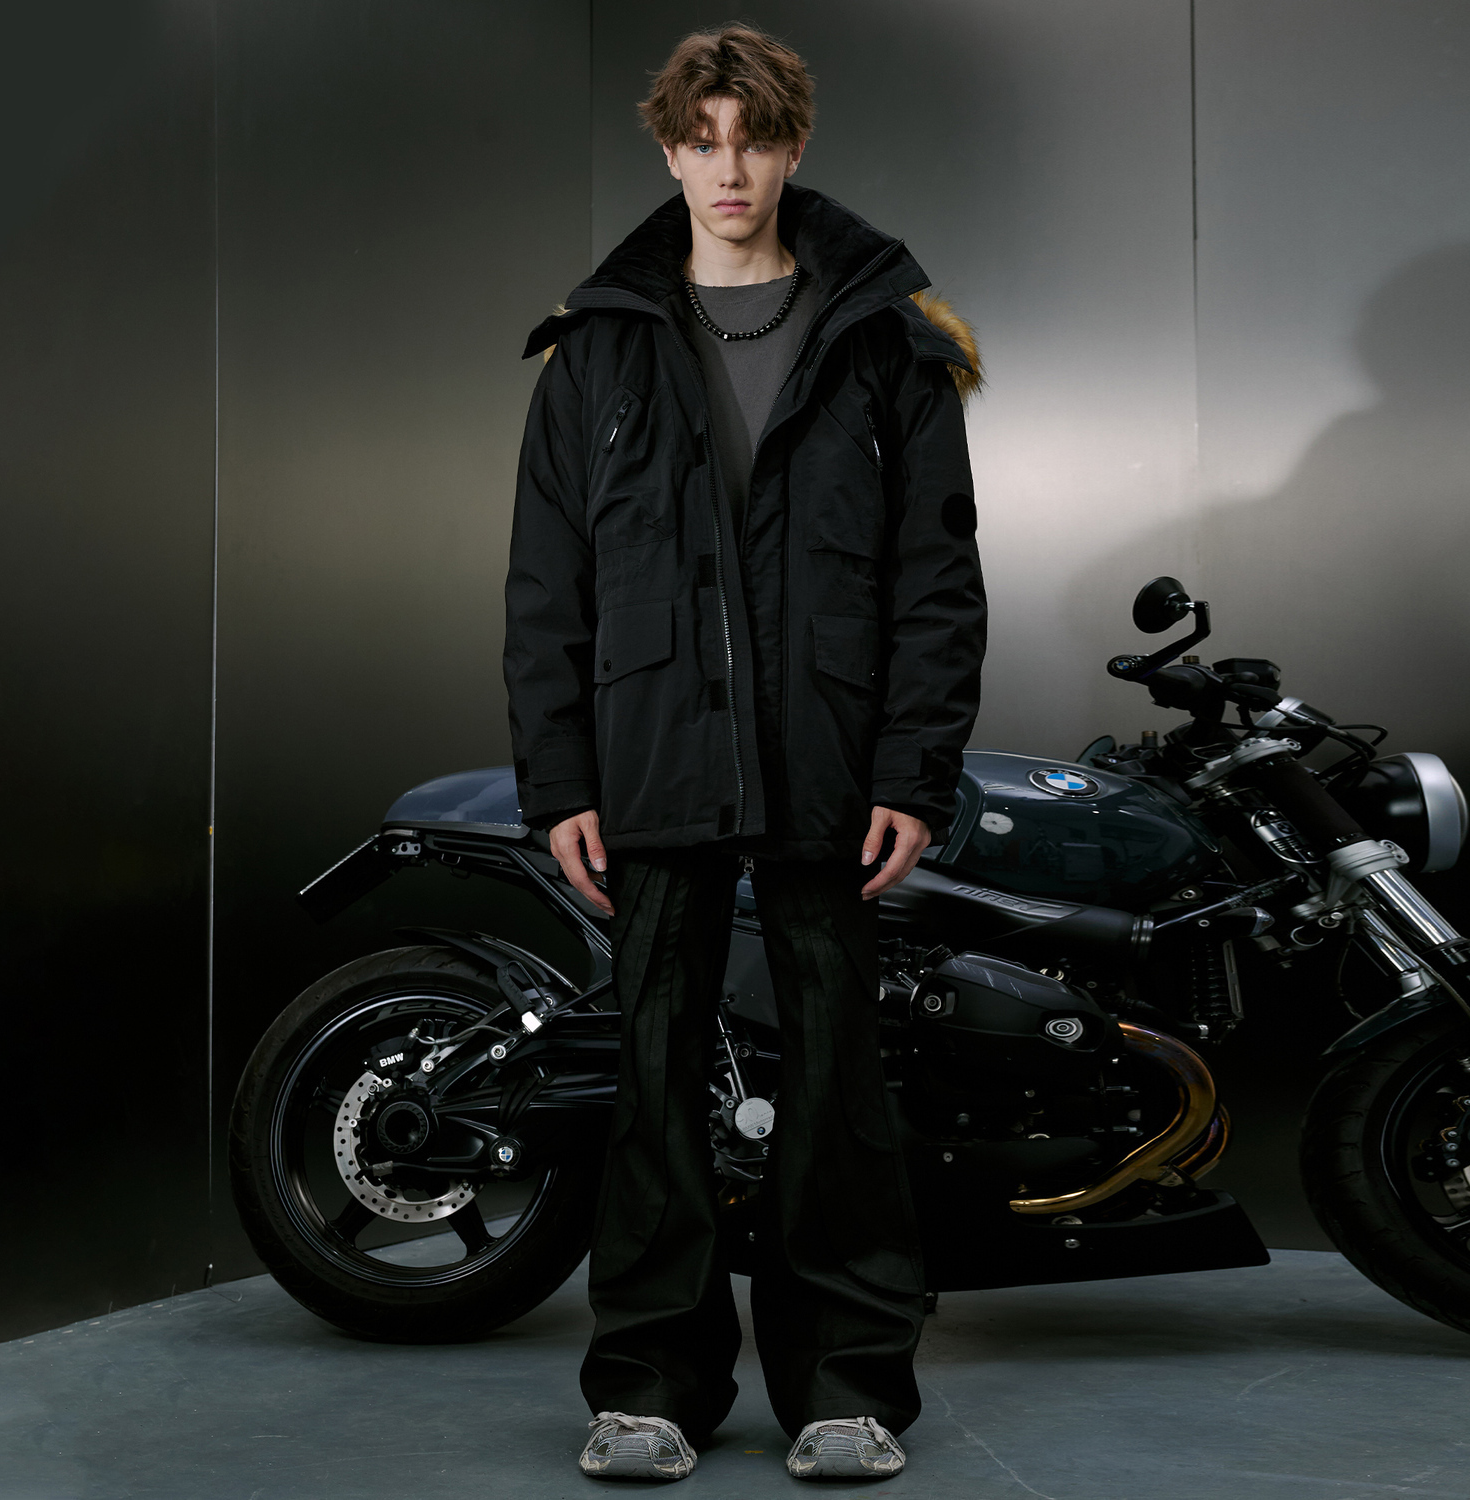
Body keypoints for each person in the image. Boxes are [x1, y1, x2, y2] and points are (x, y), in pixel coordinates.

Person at [503, 23, 986, 1484]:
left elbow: (937, 579)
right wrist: (559, 780)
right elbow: (546, 587)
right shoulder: (596, 349)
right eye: (703, 140)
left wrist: (912, 773)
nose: (730, 169)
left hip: (831, 766)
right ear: (669, 150)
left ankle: (848, 1389)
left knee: (839, 1083)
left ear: (794, 147)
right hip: (652, 759)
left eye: (755, 139)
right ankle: (649, 1388)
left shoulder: (887, 340)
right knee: (654, 1081)